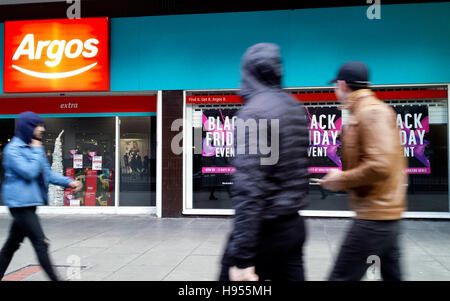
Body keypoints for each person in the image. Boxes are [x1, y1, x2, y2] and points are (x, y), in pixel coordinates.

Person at [219, 43, 310, 281]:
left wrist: (243, 258)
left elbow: (250, 188)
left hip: (264, 232)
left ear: (249, 73)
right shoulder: (295, 107)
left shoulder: (255, 113)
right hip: (293, 226)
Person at [313, 61, 407, 281]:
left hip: (374, 216)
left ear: (343, 84)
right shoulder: (364, 111)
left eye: (335, 86)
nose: (335, 90)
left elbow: (380, 165)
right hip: (383, 215)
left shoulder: (371, 113)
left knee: (340, 277)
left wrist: (342, 179)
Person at [0, 111, 83, 281]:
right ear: (28, 127)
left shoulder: (33, 148)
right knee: (41, 243)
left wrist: (69, 182)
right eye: (37, 125)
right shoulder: (13, 150)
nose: (41, 129)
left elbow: (48, 174)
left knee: (11, 246)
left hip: (29, 203)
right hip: (19, 205)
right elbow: (29, 172)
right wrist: (37, 151)